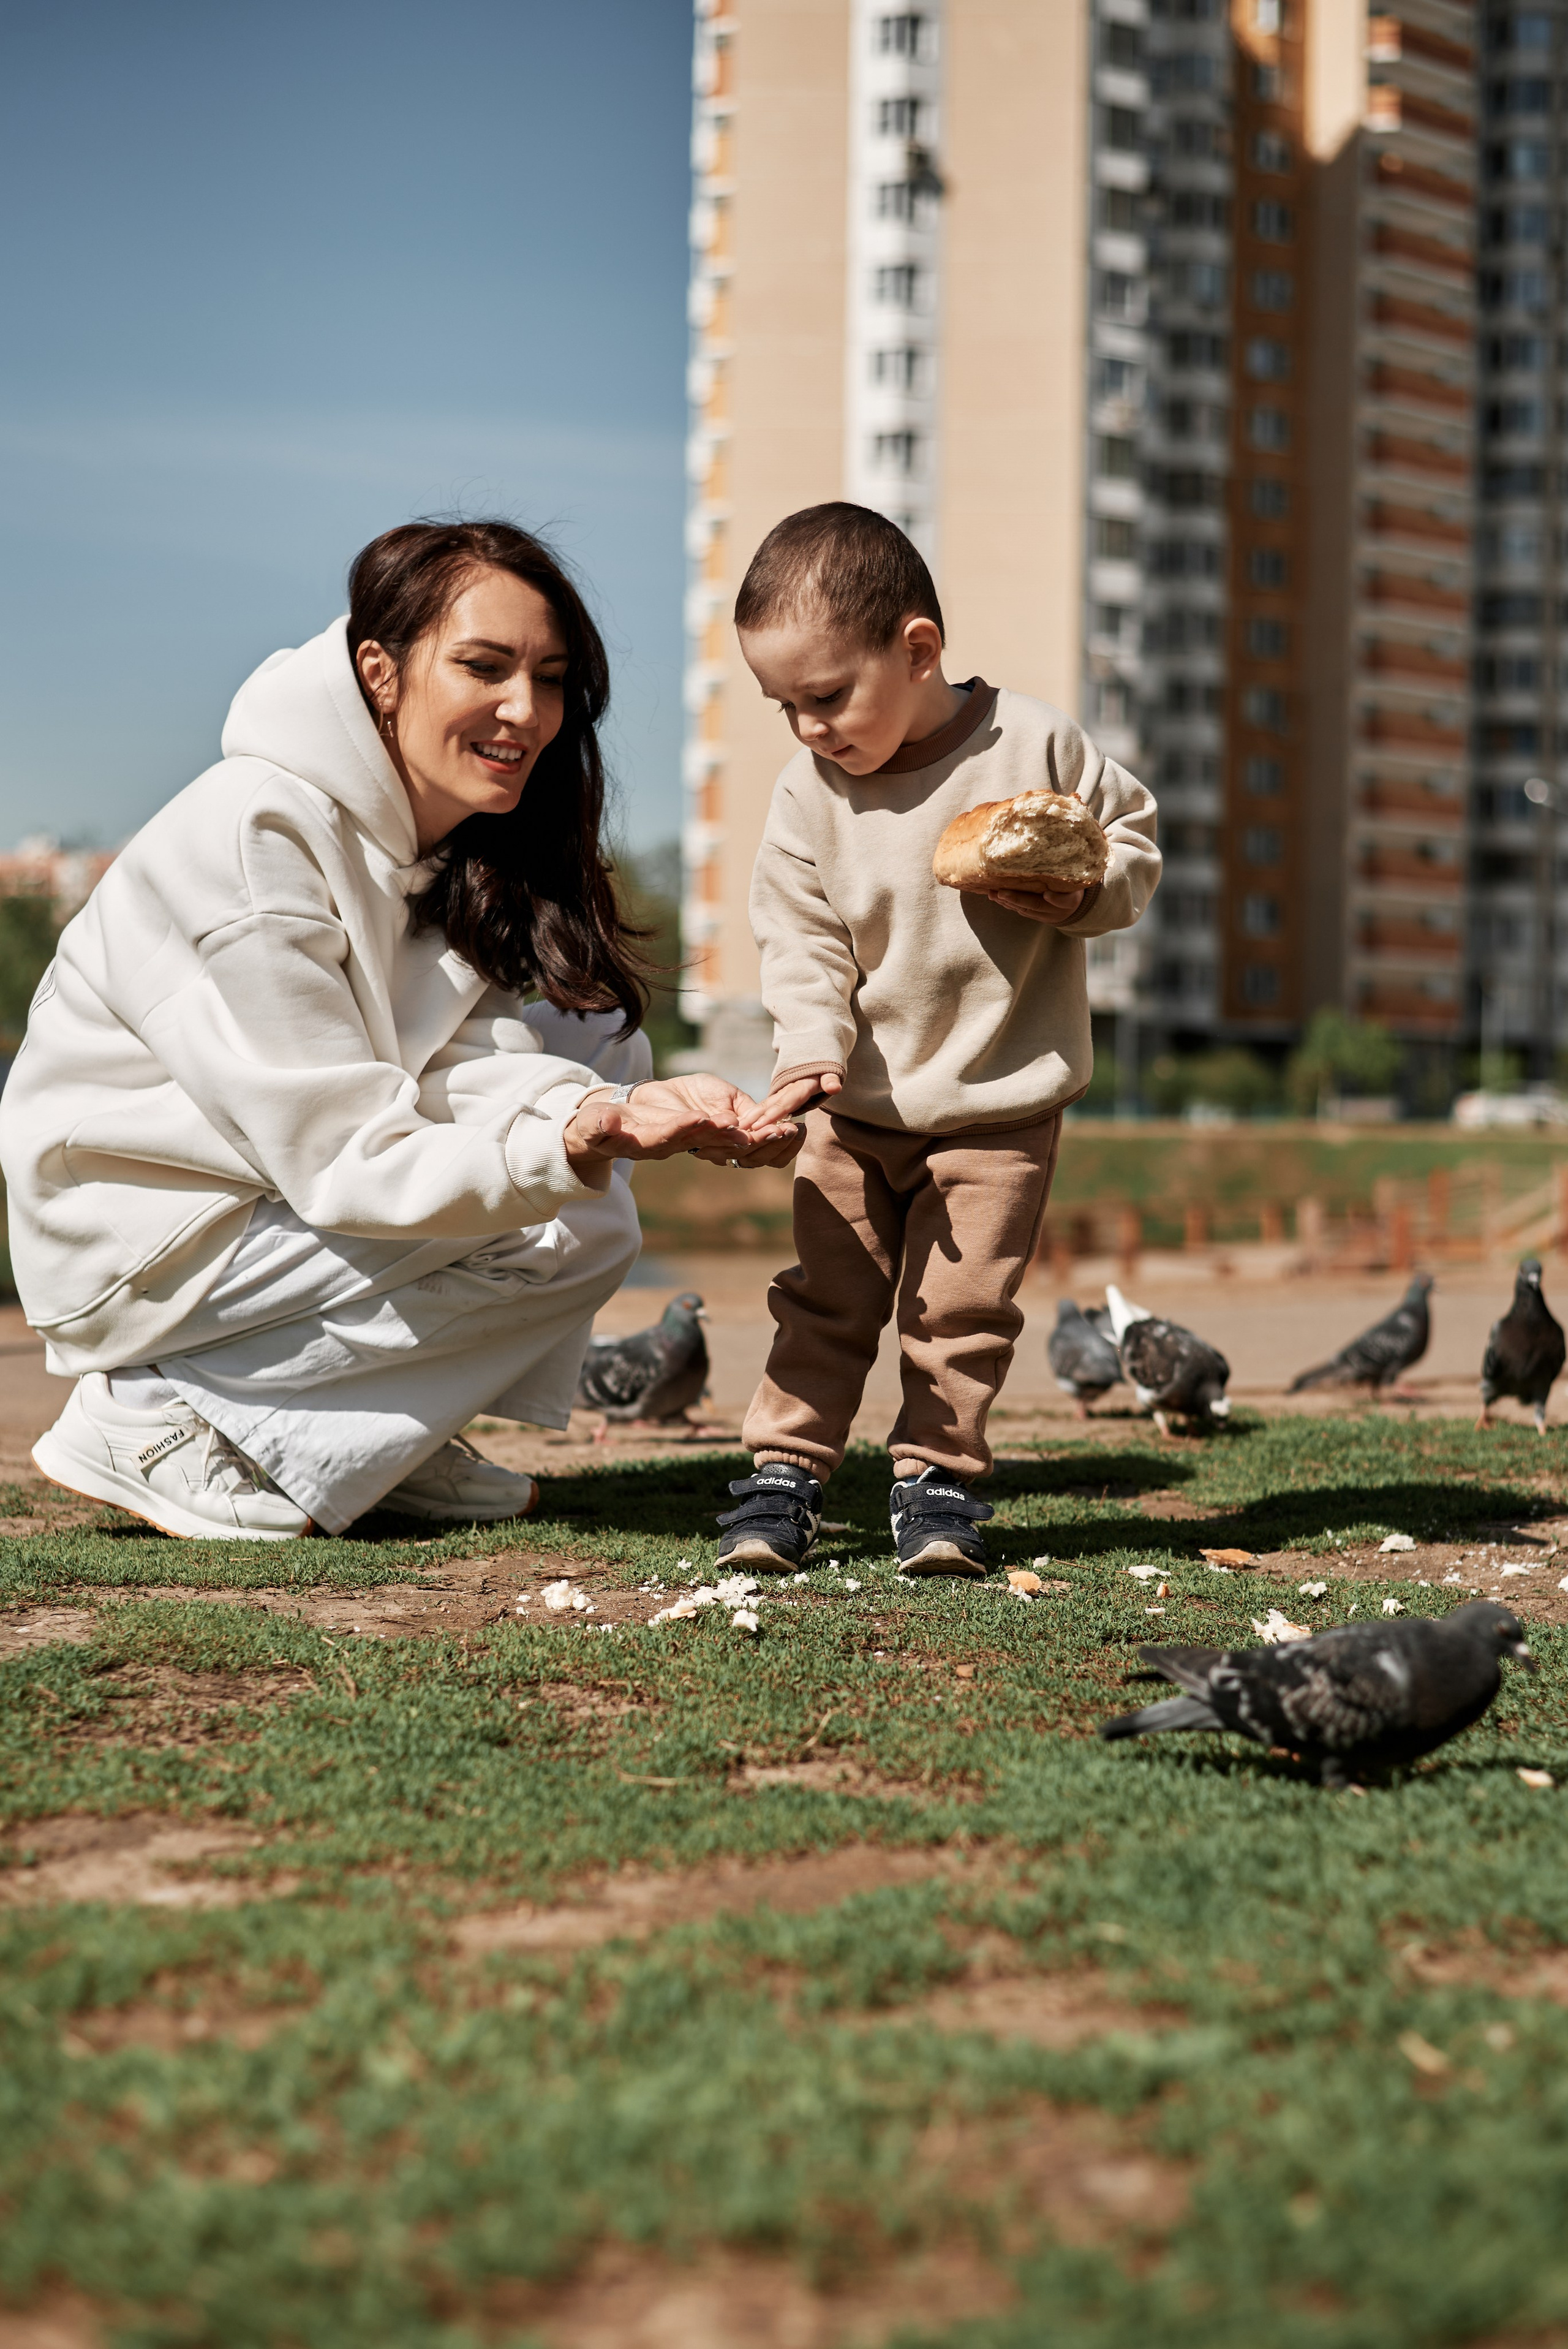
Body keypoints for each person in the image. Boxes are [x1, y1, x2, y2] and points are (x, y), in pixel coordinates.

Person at [1, 520, 800, 1540]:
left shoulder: (446, 848)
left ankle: (363, 1442)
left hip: (258, 1191)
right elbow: (340, 1155)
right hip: (139, 1227)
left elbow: (462, 1070)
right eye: (484, 666)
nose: (527, 710)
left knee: (594, 1103)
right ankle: (157, 1418)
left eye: (550, 677)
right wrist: (571, 1138)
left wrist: (613, 1112)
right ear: (380, 670)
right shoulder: (261, 834)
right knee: (551, 1193)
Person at [714, 503, 1161, 1576]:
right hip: (853, 1104)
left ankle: (936, 1480)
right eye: (784, 706)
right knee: (824, 1296)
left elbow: (1131, 847)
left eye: (827, 697)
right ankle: (787, 1473)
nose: (810, 728)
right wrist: (810, 1044)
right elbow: (799, 934)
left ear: (918, 651)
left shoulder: (1036, 744)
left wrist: (1084, 886)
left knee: (961, 1311)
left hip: (1001, 1104)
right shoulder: (806, 793)